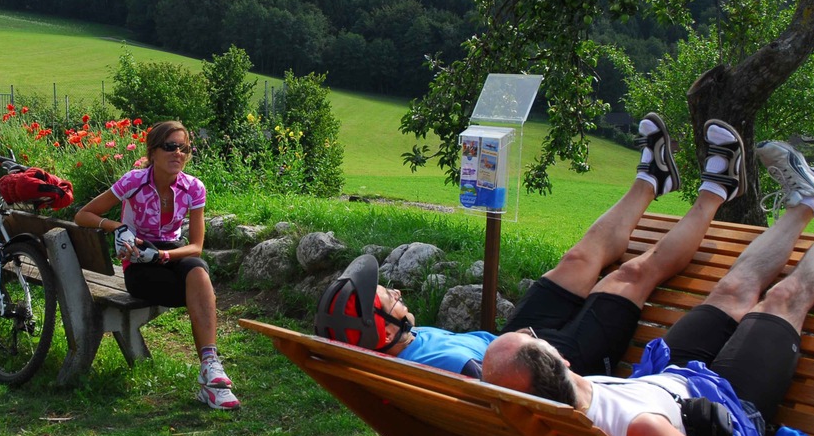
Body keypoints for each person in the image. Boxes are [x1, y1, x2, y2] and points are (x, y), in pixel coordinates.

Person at [483, 141, 814, 436]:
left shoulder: (563, 401)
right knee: (783, 299)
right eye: (533, 337)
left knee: (731, 288)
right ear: (562, 361)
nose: (531, 330)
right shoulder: (643, 430)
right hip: (729, 408)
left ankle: (807, 201)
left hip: (669, 380)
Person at [317, 113, 746, 380]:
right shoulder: (443, 368)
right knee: (628, 276)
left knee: (578, 259)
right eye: (386, 298)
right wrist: (529, 351)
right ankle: (718, 187)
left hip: (513, 345)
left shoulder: (400, 350)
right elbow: (498, 393)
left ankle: (652, 180)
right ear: (385, 331)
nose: (396, 293)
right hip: (555, 366)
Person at [74, 121, 239, 411]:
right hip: (139, 267)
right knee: (200, 288)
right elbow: (83, 215)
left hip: (170, 256)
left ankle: (211, 368)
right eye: (170, 146)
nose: (178, 153)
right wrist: (117, 227)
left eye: (184, 147)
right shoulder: (133, 181)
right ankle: (211, 380)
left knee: (198, 269)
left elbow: (195, 245)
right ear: (152, 151)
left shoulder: (193, 188)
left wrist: (164, 256)